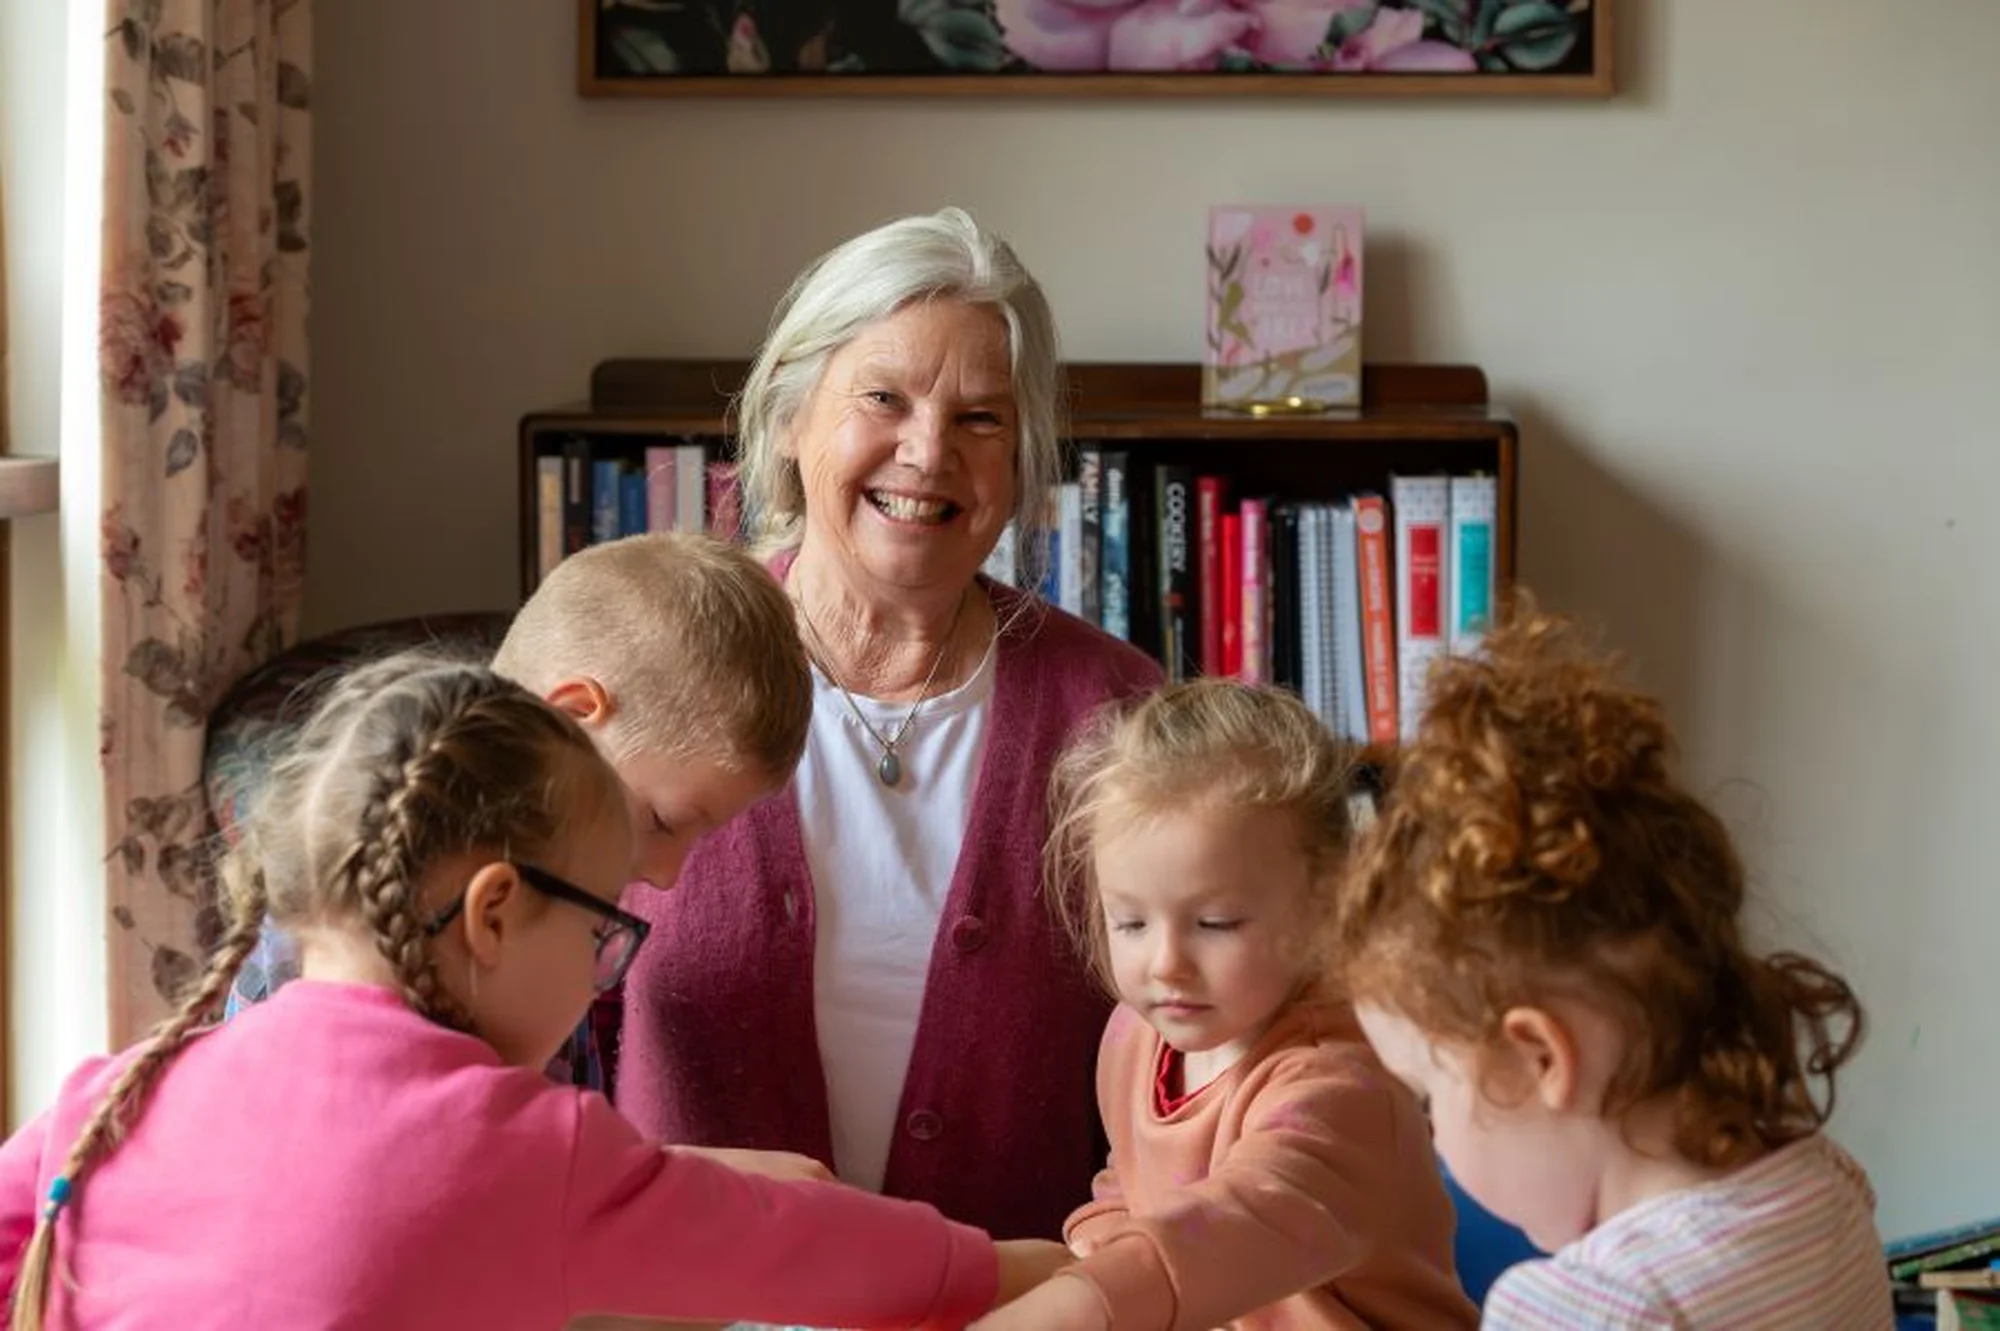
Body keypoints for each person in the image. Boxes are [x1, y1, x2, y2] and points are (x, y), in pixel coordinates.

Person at [0, 656, 1069, 1328]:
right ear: (495, 911)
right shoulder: (527, 1145)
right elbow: (803, 1249)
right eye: (603, 922)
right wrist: (1031, 1265)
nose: (608, 960)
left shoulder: (117, 1089)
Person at [612, 206, 1163, 1240]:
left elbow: (1188, 1050)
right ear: (789, 415)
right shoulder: (645, 672)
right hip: (690, 1304)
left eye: (981, 419)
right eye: (882, 397)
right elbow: (538, 1045)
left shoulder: (1117, 715)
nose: (927, 451)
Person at [1332, 609, 1893, 1328]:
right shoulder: (1826, 1184)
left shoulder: (1586, 1309)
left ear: (1540, 1057)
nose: (1434, 1138)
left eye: (1429, 1095)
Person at [226, 531, 810, 1099]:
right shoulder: (338, 941)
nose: (666, 876)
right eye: (662, 820)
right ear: (574, 717)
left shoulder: (555, 926)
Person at [973, 680, 1475, 1329]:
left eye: (1215, 923)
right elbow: (1131, 1185)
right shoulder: (1135, 1035)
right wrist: (1104, 1233)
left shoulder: (1342, 1090)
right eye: (1131, 922)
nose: (1165, 963)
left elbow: (1228, 1230)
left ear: (1327, 905)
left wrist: (1090, 1293)